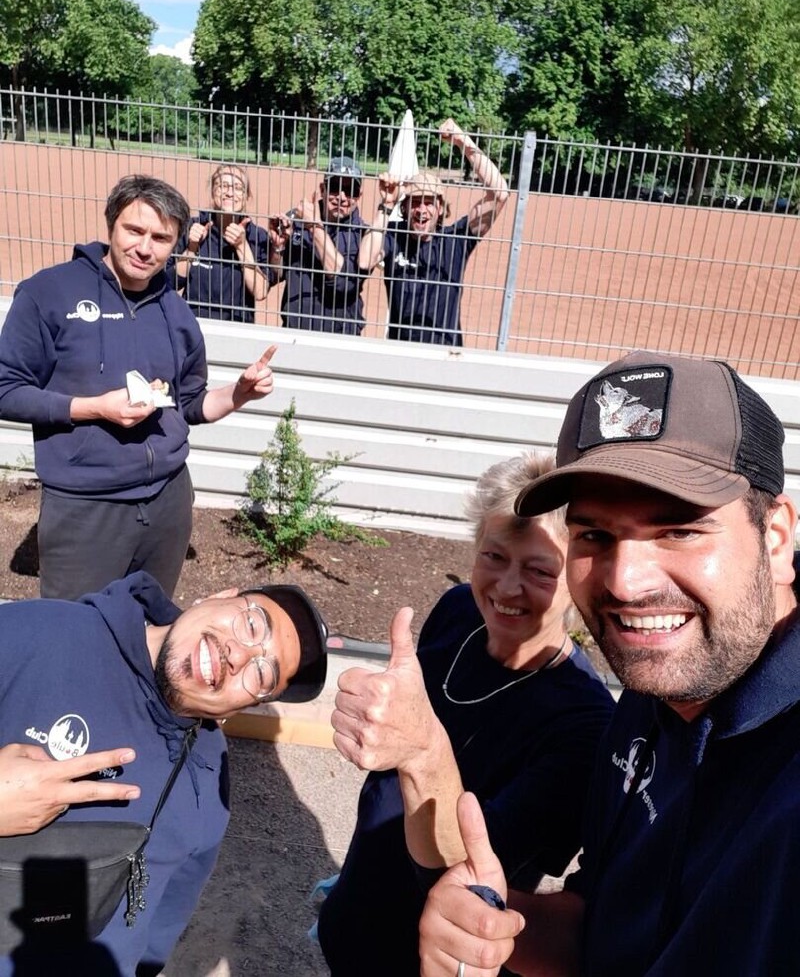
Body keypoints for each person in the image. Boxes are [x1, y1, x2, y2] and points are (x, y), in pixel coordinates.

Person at [418, 350, 800, 977]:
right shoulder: (652, 694)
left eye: (679, 530)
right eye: (595, 535)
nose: (625, 582)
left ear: (776, 537)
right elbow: (597, 924)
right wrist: (495, 927)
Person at [318, 453, 614, 976]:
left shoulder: (585, 727)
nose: (506, 588)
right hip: (358, 909)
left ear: (576, 579)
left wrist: (420, 748)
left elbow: (480, 870)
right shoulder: (458, 611)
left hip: (435, 955)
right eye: (494, 556)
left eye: (539, 571)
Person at [0, 572, 327, 976]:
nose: (239, 655)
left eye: (262, 674)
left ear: (243, 706)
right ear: (219, 594)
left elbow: (163, 924)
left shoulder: (207, 782)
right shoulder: (38, 633)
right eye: (252, 624)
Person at [0, 174, 277, 600]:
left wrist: (239, 393)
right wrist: (95, 408)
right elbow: (6, 389)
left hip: (168, 501)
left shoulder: (175, 310)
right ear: (111, 224)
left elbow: (189, 404)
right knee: (77, 630)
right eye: (134, 231)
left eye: (161, 238)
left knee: (151, 627)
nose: (146, 249)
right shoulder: (49, 294)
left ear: (176, 242)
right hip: (85, 506)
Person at [359, 118, 510, 345]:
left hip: (445, 350)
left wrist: (462, 141)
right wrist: (386, 205)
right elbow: (364, 261)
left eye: (429, 202)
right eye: (415, 202)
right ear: (405, 207)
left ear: (440, 209)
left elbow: (500, 193)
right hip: (400, 348)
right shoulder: (393, 235)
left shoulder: (455, 240)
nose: (422, 210)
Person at [267, 157, 371, 334]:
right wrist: (278, 248)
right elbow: (276, 275)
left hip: (340, 335)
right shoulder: (296, 220)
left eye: (350, 190)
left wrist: (314, 226)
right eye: (335, 187)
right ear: (323, 189)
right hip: (295, 331)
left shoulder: (363, 235)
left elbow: (343, 283)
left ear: (359, 196)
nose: (342, 197)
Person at [167, 163, 275, 323]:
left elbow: (260, 292)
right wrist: (191, 249)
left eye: (238, 188)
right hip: (193, 324)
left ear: (247, 196)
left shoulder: (257, 236)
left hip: (237, 327)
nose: (230, 193)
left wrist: (242, 246)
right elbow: (171, 282)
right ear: (212, 192)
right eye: (223, 186)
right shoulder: (193, 227)